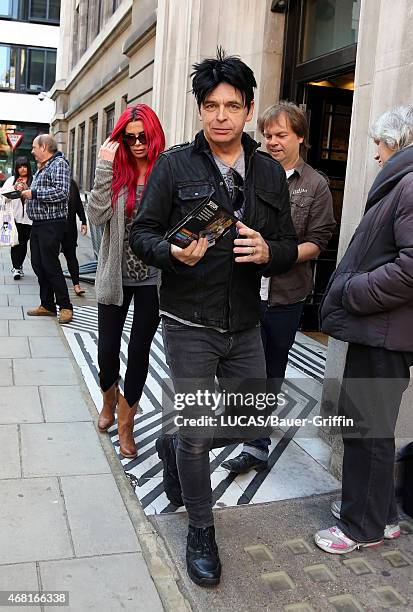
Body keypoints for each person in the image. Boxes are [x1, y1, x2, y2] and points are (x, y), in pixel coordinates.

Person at [129, 49, 298, 587]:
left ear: (248, 110)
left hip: (247, 318)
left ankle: (173, 442)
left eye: (232, 105)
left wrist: (271, 252)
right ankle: (201, 529)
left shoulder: (270, 171)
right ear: (200, 111)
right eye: (210, 106)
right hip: (189, 319)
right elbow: (141, 233)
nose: (221, 115)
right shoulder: (175, 165)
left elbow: (291, 242)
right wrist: (172, 253)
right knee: (200, 432)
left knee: (251, 420)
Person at [314, 105, 413, 554]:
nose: (374, 154)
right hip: (381, 330)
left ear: (396, 141)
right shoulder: (403, 182)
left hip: (382, 330)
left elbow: (411, 269)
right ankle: (382, 516)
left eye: (378, 143)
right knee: (371, 429)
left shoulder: (408, 184)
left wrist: (354, 291)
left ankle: (361, 528)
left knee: (366, 431)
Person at [222, 101, 336, 474]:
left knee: (270, 371)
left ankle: (256, 445)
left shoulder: (315, 185)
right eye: (267, 135)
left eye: (281, 135)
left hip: (285, 296)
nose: (272, 142)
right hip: (241, 291)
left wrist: (274, 253)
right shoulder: (248, 175)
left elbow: (318, 242)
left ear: (300, 137)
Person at [87, 104, 165, 460]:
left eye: (142, 136)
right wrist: (105, 164)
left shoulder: (165, 172)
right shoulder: (115, 171)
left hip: (152, 280)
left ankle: (125, 423)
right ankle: (108, 401)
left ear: (153, 135)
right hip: (113, 276)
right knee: (106, 351)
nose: (136, 143)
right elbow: (98, 213)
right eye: (129, 137)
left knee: (139, 352)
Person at [21, 135, 73, 324]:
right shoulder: (44, 166)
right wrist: (26, 189)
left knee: (50, 265)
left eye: (34, 147)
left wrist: (33, 192)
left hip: (52, 223)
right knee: (38, 263)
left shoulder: (59, 164)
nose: (32, 151)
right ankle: (47, 305)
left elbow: (61, 192)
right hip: (39, 223)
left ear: (44, 147)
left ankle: (66, 306)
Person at [2, 157, 33, 280]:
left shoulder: (33, 180)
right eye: (20, 167)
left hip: (29, 219)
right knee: (15, 242)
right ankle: (16, 268)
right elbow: (4, 197)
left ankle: (19, 266)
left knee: (24, 242)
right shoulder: (11, 180)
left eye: (24, 166)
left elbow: (36, 196)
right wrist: (14, 188)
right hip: (14, 217)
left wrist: (26, 188)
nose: (22, 169)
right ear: (16, 169)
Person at [61, 179, 87, 296]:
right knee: (51, 258)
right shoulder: (50, 181)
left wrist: (83, 221)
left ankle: (76, 285)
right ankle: (55, 285)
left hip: (69, 228)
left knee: (71, 256)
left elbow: (78, 204)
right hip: (53, 229)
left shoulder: (71, 183)